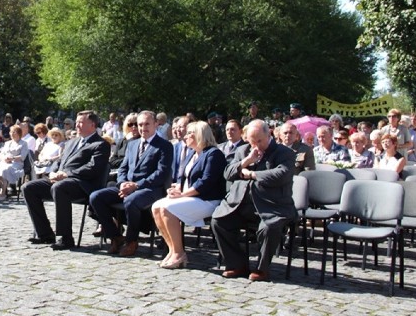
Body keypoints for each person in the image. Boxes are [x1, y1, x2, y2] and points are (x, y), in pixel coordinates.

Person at [212, 120, 296, 282]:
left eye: (259, 141)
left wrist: (252, 174)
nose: (256, 145)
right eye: (252, 141)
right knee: (219, 222)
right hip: (240, 203)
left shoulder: (283, 153)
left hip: (272, 205)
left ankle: (261, 269)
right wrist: (246, 162)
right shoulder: (243, 150)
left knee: (269, 228)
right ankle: (237, 264)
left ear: (269, 134)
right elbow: (227, 173)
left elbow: (282, 174)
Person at [23, 111, 110, 250]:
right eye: (77, 121)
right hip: (60, 179)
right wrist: (53, 172)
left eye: (81, 122)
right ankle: (45, 234)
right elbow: (60, 161)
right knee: (28, 187)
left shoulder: (101, 144)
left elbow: (93, 168)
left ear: (92, 124)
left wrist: (66, 174)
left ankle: (65, 238)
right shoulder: (71, 142)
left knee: (60, 188)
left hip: (82, 184)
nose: (77, 125)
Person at [90, 111, 173, 257]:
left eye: (147, 124)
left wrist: (136, 185)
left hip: (150, 189)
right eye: (140, 124)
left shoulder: (164, 146)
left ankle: (131, 241)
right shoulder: (133, 144)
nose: (142, 128)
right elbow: (123, 168)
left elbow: (161, 173)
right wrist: (122, 183)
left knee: (130, 201)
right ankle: (115, 236)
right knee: (96, 197)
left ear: (155, 124)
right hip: (127, 186)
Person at [152, 120, 227, 269]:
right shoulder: (193, 154)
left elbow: (205, 182)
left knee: (167, 208)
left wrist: (182, 195)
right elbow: (184, 178)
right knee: (156, 206)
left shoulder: (214, 154)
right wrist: (176, 189)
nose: (185, 136)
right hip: (190, 196)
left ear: (199, 134)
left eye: (189, 133)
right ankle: (172, 250)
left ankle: (180, 253)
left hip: (208, 200)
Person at [0, 125, 30, 201]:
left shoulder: (23, 143)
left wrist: (12, 158)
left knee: (5, 169)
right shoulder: (7, 143)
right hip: (5, 162)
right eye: (11, 132)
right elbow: (2, 153)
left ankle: (3, 192)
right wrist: (4, 158)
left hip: (16, 163)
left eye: (14, 132)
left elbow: (23, 156)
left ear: (19, 133)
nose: (12, 133)